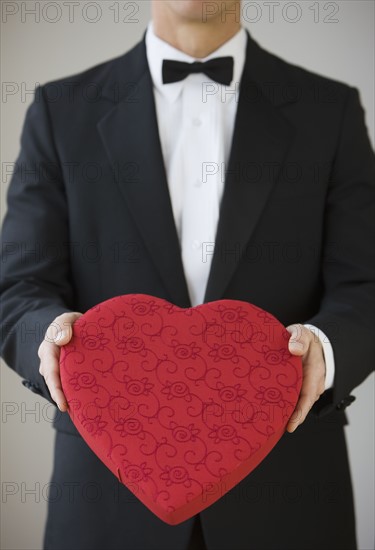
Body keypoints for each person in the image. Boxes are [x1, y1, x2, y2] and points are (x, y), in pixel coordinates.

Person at [1, 1, 374, 549]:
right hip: (107, 501)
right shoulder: (60, 109)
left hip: (289, 499)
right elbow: (19, 286)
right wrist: (52, 340)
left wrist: (325, 348)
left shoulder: (331, 109)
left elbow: (365, 283)